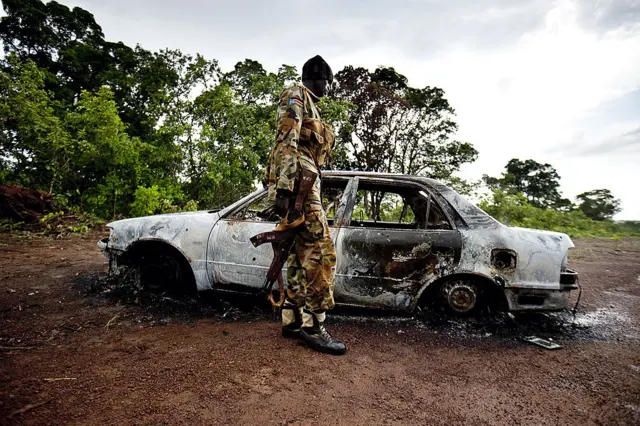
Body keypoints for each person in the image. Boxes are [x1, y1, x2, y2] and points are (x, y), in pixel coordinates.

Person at [263, 55, 346, 355]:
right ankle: (313, 326)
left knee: (300, 254)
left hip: (306, 183)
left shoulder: (311, 103)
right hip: (299, 185)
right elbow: (286, 140)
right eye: (328, 80)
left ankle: (292, 320)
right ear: (317, 77)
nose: (329, 86)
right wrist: (284, 190)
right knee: (322, 253)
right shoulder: (296, 94)